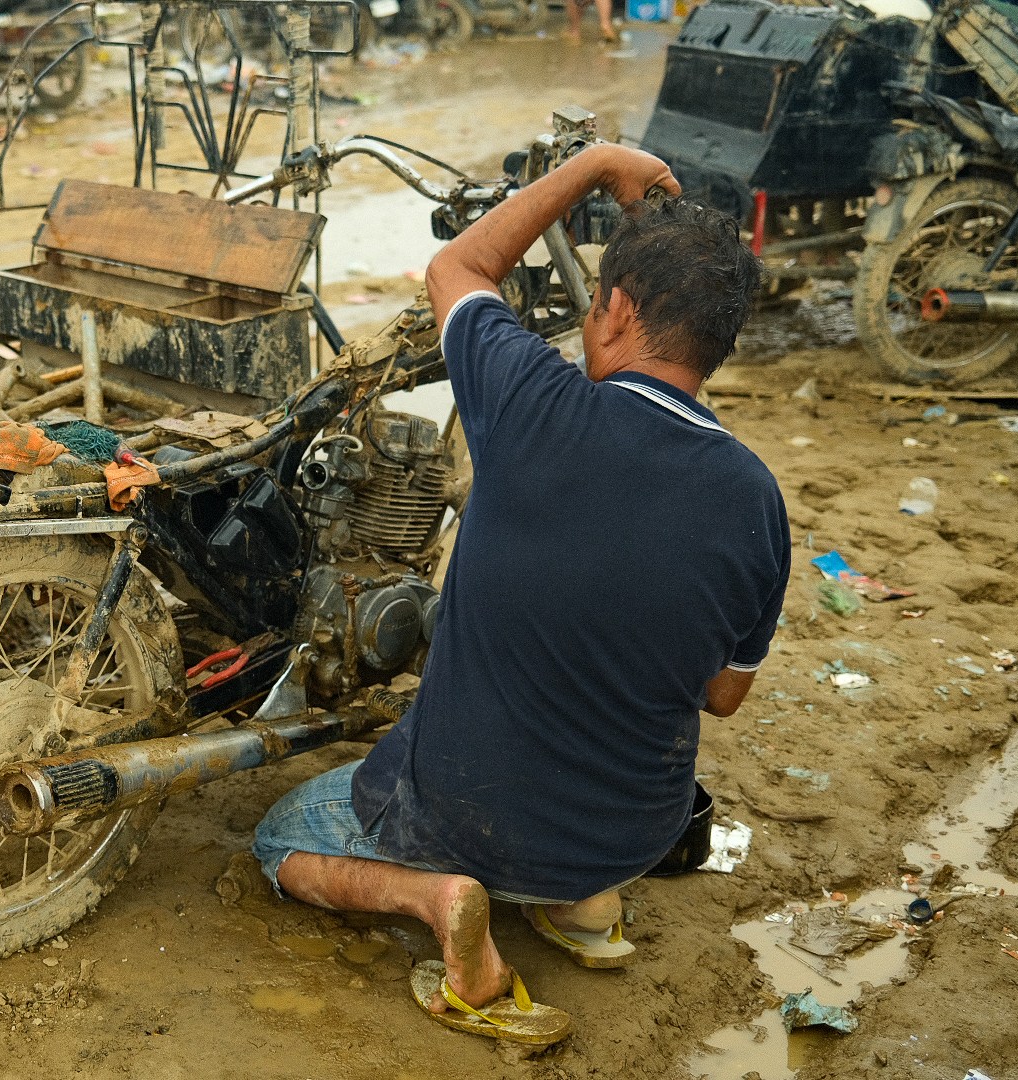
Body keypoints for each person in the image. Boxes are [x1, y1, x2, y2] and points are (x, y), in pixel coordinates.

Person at [251, 143, 787, 1047]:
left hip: (468, 820)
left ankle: (440, 899)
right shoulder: (758, 498)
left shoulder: (533, 402)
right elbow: (723, 695)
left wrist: (594, 163)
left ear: (613, 311)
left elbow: (458, 264)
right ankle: (584, 909)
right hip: (635, 830)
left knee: (277, 839)